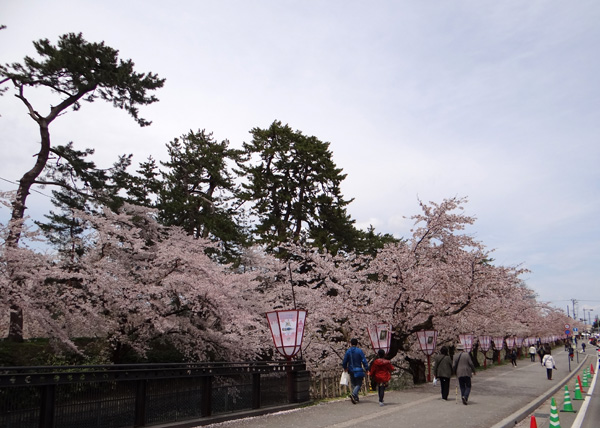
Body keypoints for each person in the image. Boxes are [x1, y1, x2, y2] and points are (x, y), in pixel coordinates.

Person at [342, 338, 369, 404]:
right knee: (359, 384)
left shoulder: (348, 351)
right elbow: (364, 360)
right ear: (357, 343)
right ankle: (354, 394)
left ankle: (355, 398)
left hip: (351, 369)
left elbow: (345, 360)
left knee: (353, 383)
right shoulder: (359, 351)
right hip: (358, 369)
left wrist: (345, 367)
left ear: (351, 343)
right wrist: (367, 369)